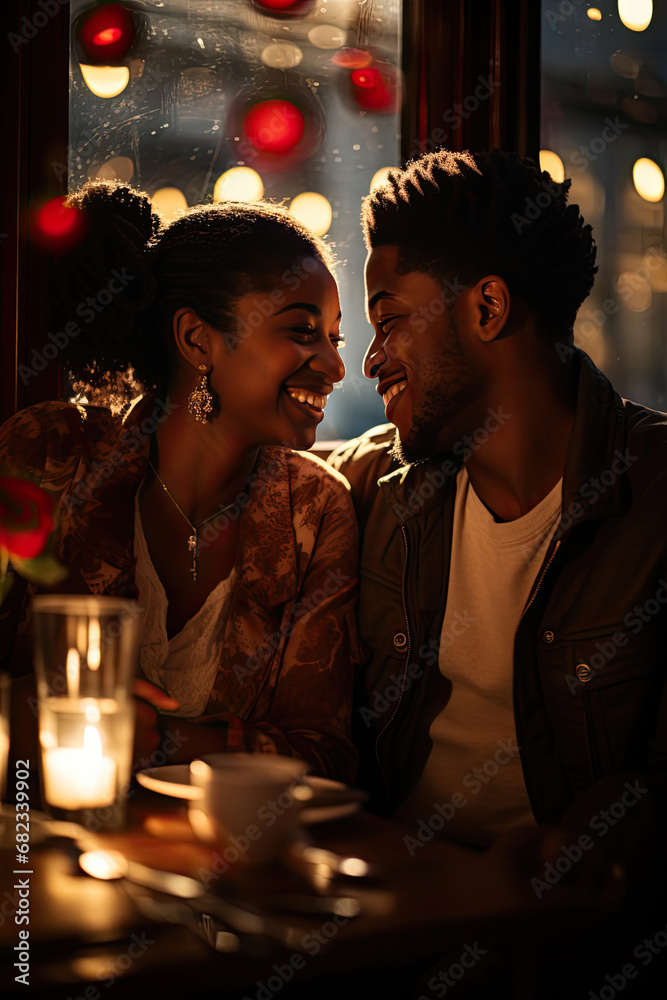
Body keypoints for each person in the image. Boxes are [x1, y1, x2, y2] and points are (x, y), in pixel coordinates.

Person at [329, 148, 667, 993]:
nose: (370, 361)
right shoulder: (373, 487)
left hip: (570, 944)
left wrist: (615, 824)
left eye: (388, 318)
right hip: (381, 929)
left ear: (485, 307)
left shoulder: (657, 497)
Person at [0, 180, 359, 783]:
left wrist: (162, 742)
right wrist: (20, 712)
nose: (336, 365)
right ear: (197, 340)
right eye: (302, 332)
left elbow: (325, 755)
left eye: (334, 337)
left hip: (223, 867)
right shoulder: (49, 456)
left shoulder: (315, 508)